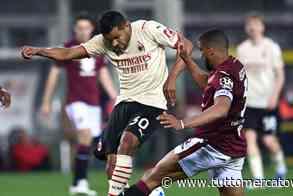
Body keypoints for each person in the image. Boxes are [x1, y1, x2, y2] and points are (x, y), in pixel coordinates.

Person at [21, 10, 192, 196]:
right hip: (124, 102)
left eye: (117, 37)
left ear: (126, 26)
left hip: (152, 103)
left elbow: (186, 45)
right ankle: (150, 193)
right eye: (110, 40)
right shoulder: (102, 41)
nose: (115, 44)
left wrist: (172, 78)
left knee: (127, 142)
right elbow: (69, 53)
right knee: (111, 166)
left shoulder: (147, 29)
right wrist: (39, 50)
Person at [122, 30, 248, 196]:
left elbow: (221, 109)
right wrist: (187, 60)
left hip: (211, 144)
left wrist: (182, 123)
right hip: (233, 147)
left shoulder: (223, 75)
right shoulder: (234, 66)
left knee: (152, 178)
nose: (201, 56)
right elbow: (208, 84)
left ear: (211, 51)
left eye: (202, 52)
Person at [39, 14, 117, 196]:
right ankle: (81, 182)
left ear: (92, 29)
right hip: (76, 102)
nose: (83, 31)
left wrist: (115, 96)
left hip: (94, 104)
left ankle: (78, 183)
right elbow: (54, 75)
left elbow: (103, 74)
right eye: (79, 28)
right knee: (85, 135)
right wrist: (46, 102)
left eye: (86, 27)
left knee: (94, 144)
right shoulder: (67, 48)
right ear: (75, 29)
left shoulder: (99, 47)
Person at [236, 14, 287, 182]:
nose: (252, 28)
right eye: (249, 25)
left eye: (256, 24)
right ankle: (258, 180)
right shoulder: (242, 49)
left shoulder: (271, 47)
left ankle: (280, 169)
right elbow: (239, 77)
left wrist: (275, 96)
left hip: (267, 102)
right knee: (250, 140)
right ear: (246, 28)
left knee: (269, 141)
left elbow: (280, 75)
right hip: (249, 102)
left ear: (262, 27)